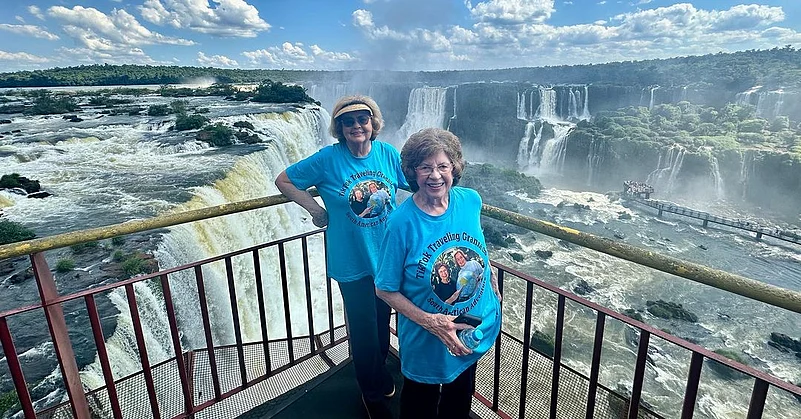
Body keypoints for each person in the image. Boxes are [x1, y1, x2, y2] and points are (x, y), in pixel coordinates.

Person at [275, 95, 407, 418]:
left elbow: (412, 187)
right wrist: (315, 209)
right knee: (362, 333)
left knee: (380, 322)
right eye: (348, 122)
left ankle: (379, 373)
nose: (356, 126)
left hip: (386, 260)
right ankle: (371, 394)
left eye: (363, 119)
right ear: (340, 128)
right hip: (352, 264)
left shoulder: (388, 153)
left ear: (373, 123)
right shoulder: (328, 159)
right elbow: (284, 180)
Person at [375, 128, 502, 419]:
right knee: (420, 404)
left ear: (454, 168)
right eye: (425, 167)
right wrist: (432, 322)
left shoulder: (470, 200)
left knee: (459, 399)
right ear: (412, 172)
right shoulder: (400, 223)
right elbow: (384, 289)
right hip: (426, 337)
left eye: (443, 166)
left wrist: (489, 271)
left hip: (471, 327)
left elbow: (476, 242)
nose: (435, 176)